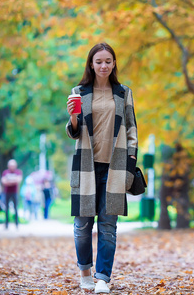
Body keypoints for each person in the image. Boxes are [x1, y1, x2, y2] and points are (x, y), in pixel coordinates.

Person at [66, 43, 138, 294]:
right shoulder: (79, 91)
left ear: (114, 63)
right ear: (91, 64)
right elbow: (74, 133)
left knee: (108, 226)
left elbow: (132, 130)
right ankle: (85, 272)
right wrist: (73, 117)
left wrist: (130, 164)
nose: (104, 65)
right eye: (99, 61)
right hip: (86, 166)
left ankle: (102, 279)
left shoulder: (123, 93)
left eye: (108, 61)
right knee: (82, 226)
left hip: (115, 167)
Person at [1, 159, 23, 229]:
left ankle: (17, 224)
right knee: (6, 209)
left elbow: (18, 180)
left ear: (15, 166)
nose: (12, 167)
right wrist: (13, 181)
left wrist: (9, 181)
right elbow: (4, 181)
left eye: (13, 165)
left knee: (16, 208)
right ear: (8, 166)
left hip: (14, 193)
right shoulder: (5, 172)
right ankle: (6, 224)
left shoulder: (18, 172)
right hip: (7, 193)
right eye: (10, 165)